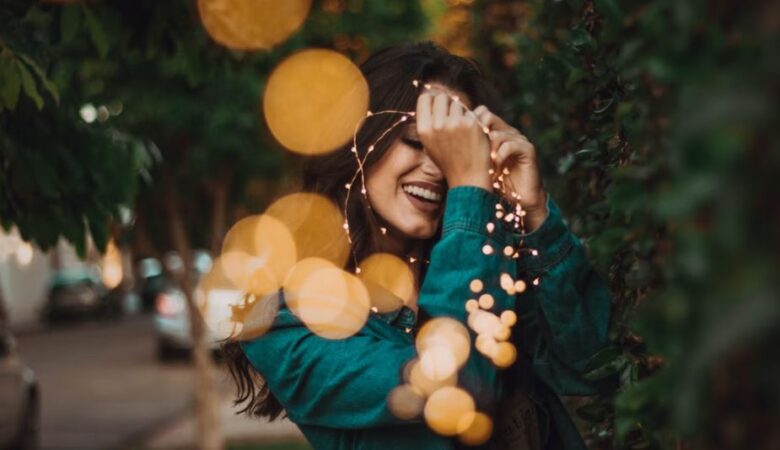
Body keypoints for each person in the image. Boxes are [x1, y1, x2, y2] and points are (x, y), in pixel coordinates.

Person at [222, 42, 611, 450]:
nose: (440, 168)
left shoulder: (488, 260)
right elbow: (456, 385)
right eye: (415, 141)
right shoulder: (290, 319)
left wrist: (536, 216)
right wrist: (470, 190)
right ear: (358, 142)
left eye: (457, 150)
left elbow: (594, 366)